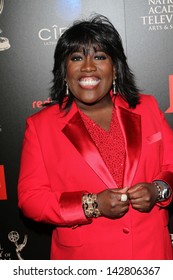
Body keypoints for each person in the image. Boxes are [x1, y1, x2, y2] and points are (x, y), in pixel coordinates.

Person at [18, 14, 173, 260]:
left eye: (100, 57)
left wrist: (158, 189)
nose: (88, 67)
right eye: (77, 58)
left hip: (152, 255)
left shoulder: (147, 107)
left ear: (115, 68)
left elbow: (170, 168)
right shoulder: (41, 126)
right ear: (64, 71)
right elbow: (31, 199)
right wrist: (91, 205)